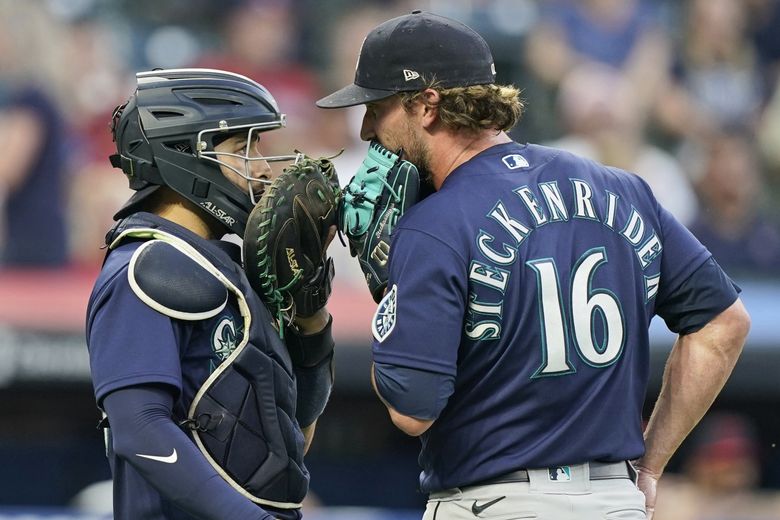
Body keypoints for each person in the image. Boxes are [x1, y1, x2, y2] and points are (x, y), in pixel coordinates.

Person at [316, 10, 750, 520]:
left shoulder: (433, 225)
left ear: (427, 105)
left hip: (496, 503)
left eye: (378, 106)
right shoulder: (622, 187)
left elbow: (412, 410)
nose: (367, 127)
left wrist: (392, 300)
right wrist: (650, 466)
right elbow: (724, 324)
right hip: (615, 503)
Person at [86, 69, 335, 520]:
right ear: (185, 155)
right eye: (242, 148)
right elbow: (140, 430)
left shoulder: (233, 266)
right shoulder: (144, 266)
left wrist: (311, 321)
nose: (260, 166)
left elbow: (289, 432)